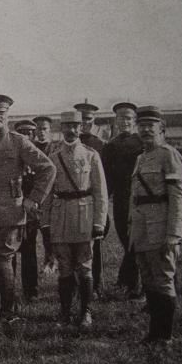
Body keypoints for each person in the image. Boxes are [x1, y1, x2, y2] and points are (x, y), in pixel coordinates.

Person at [0, 95, 56, 324]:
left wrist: (34, 199)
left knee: (3, 261)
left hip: (11, 214)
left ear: (7, 116)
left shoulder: (19, 141)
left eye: (2, 113)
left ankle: (8, 313)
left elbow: (47, 169)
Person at [42, 111, 107, 327]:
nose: (70, 130)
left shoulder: (91, 155)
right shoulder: (53, 158)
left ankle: (86, 312)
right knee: (65, 267)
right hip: (60, 216)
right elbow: (48, 194)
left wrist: (99, 222)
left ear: (81, 128)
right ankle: (65, 312)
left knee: (85, 266)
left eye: (75, 126)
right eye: (67, 126)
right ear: (62, 128)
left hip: (84, 216)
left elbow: (100, 192)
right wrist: (46, 222)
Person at [129, 106, 182, 345]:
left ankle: (165, 336)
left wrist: (174, 233)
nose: (145, 130)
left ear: (162, 130)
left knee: (163, 277)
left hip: (160, 226)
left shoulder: (168, 154)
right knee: (148, 277)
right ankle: (154, 333)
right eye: (141, 126)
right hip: (141, 229)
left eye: (150, 126)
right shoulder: (141, 158)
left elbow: (177, 195)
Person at [100, 102, 143, 299]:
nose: (124, 122)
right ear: (115, 121)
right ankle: (126, 279)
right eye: (121, 118)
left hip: (140, 198)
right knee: (126, 240)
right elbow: (107, 177)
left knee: (136, 241)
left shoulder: (142, 142)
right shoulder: (110, 146)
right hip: (120, 200)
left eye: (128, 118)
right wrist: (102, 201)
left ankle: (132, 284)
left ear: (134, 121)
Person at [73, 102, 108, 298]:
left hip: (93, 198)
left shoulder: (100, 145)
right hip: (75, 202)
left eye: (88, 119)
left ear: (93, 119)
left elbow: (105, 176)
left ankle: (96, 284)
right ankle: (81, 285)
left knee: (95, 245)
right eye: (81, 119)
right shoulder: (70, 142)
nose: (85, 123)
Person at [13, 119, 41, 301]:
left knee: (30, 251)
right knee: (10, 252)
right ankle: (10, 289)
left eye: (29, 133)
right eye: (22, 132)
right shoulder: (13, 155)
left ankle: (31, 291)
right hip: (13, 210)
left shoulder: (37, 157)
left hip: (31, 212)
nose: (26, 136)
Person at [32, 115, 59, 273]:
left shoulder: (55, 148)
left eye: (44, 129)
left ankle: (50, 260)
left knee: (48, 231)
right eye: (39, 129)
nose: (41, 132)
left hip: (50, 195)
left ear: (50, 130)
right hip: (34, 194)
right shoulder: (31, 147)